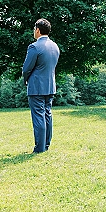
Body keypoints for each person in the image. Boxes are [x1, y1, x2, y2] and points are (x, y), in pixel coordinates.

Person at [22, 18, 60, 153]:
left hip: (36, 87)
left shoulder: (34, 47)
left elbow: (26, 69)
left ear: (37, 30)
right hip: (50, 86)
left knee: (38, 117)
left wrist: (26, 80)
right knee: (47, 115)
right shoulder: (55, 46)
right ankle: (46, 145)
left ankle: (39, 148)